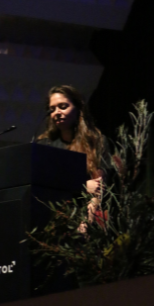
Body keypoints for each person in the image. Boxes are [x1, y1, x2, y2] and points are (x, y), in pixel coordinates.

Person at [36, 85, 107, 229]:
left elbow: (98, 189)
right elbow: (42, 185)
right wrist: (82, 185)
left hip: (83, 220)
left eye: (63, 106)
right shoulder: (44, 144)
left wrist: (86, 222)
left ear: (78, 109)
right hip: (50, 223)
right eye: (52, 109)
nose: (57, 112)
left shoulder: (95, 141)